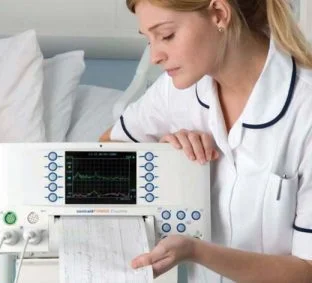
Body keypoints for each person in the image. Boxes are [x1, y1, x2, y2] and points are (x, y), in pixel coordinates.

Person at [100, 0, 312, 282]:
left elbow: (307, 270)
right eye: (148, 40)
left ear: (219, 14)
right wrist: (162, 155)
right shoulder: (176, 90)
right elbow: (105, 147)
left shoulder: (304, 110)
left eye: (166, 35)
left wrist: (196, 252)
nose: (155, 56)